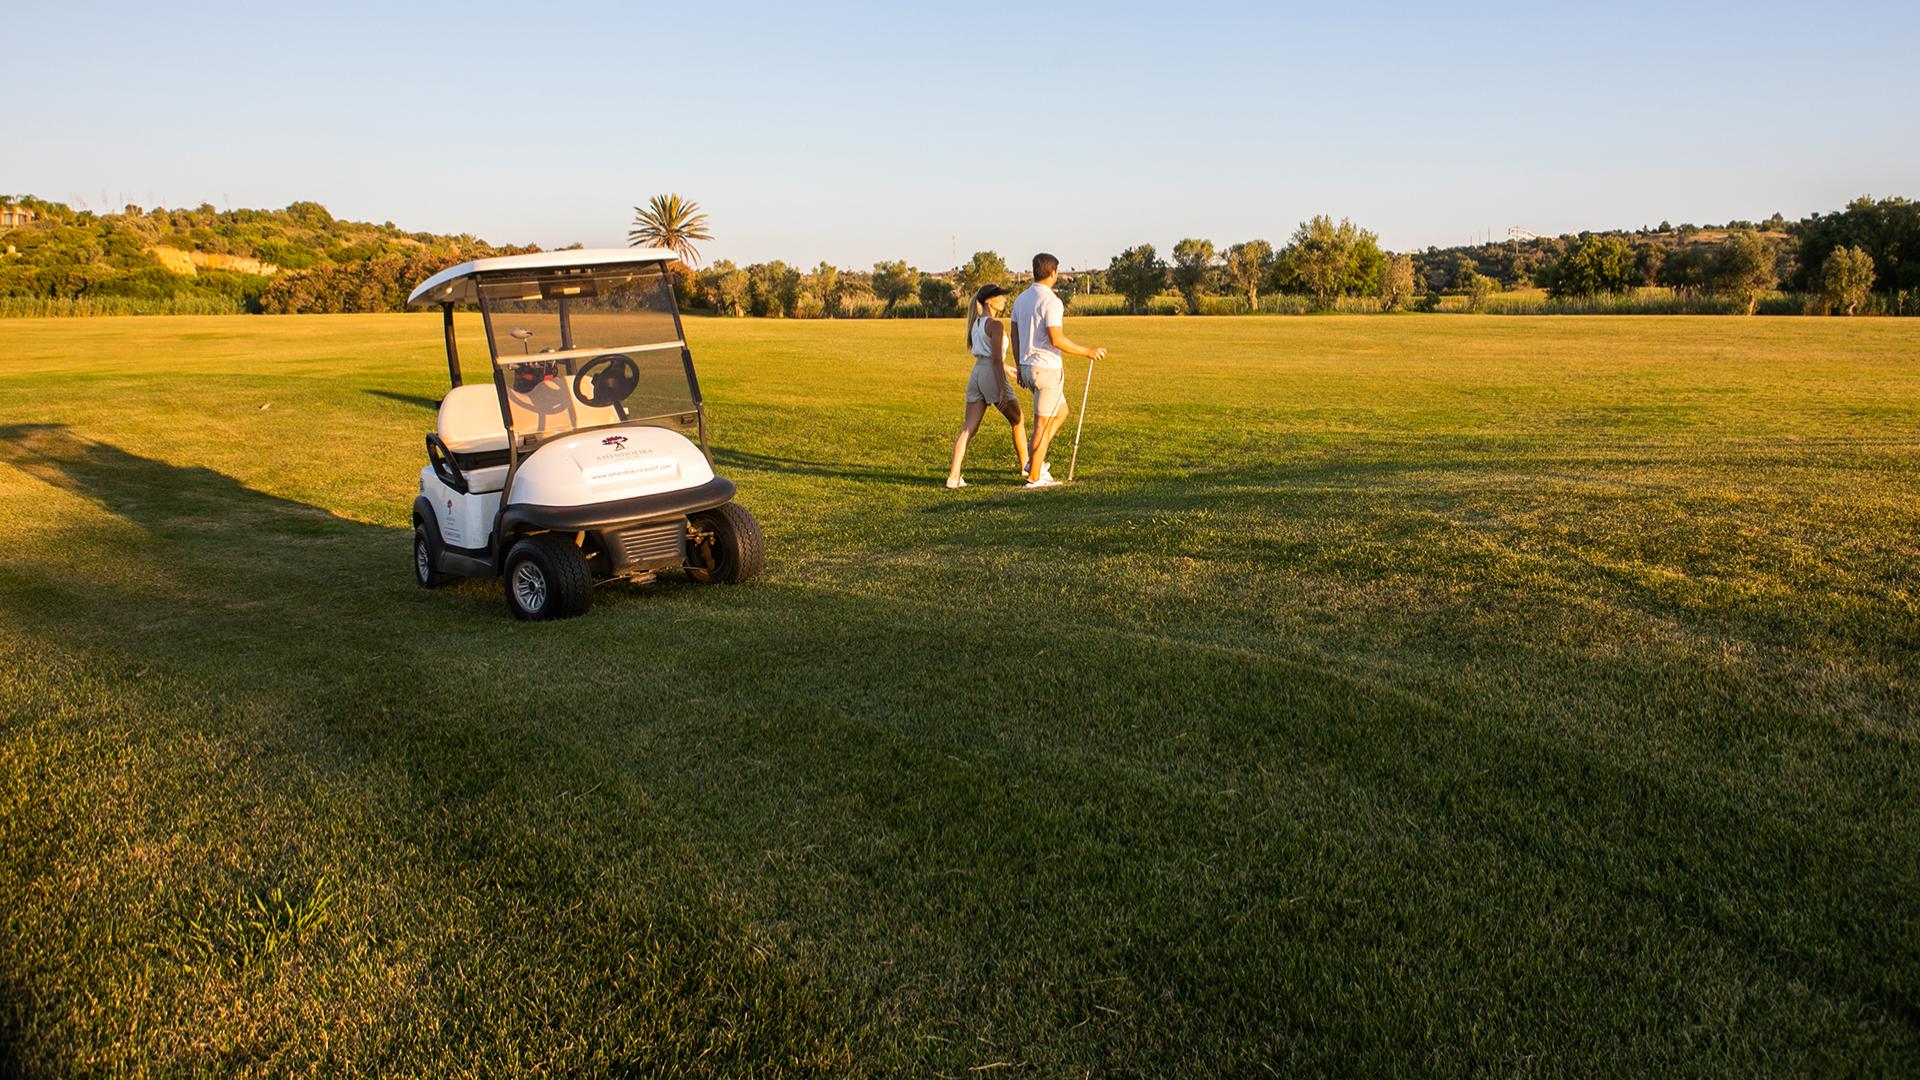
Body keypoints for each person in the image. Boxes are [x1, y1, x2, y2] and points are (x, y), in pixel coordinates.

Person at [1010, 253, 1105, 488]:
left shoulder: (1021, 299)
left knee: (1062, 412)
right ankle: (1034, 477)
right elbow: (1056, 338)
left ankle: (1035, 461)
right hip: (1047, 370)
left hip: (1029, 367)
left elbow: (1014, 334)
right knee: (1041, 425)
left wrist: (1021, 365)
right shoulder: (1051, 301)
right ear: (1053, 273)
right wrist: (1087, 351)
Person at [945, 284, 1027, 488]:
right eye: (999, 297)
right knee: (1018, 419)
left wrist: (1007, 369)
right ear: (989, 300)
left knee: (968, 428)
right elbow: (996, 359)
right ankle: (1028, 467)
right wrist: (1001, 388)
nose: (1004, 300)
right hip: (991, 374)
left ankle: (953, 477)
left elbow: (987, 355)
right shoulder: (996, 325)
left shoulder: (976, 323)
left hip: (977, 374)